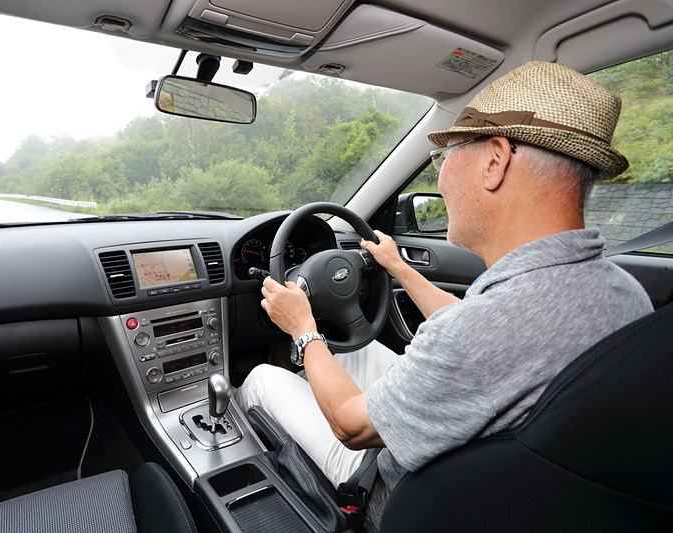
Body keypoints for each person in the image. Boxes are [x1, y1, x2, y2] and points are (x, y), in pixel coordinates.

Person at [235, 60, 654, 531]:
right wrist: (398, 268)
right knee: (357, 349)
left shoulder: (489, 327)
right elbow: (474, 325)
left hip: (397, 490)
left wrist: (303, 328)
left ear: (495, 161)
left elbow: (352, 426)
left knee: (263, 378)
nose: (440, 178)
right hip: (518, 492)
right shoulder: (620, 291)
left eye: (445, 155)